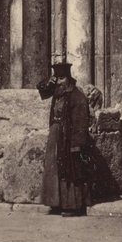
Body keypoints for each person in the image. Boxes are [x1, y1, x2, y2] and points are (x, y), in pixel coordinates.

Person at [37, 60, 92, 216]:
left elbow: (81, 123)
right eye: (57, 78)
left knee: (70, 171)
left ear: (68, 78)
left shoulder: (77, 95)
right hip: (56, 136)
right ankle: (56, 202)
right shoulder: (58, 92)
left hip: (69, 139)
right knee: (54, 169)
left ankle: (71, 206)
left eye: (62, 78)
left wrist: (76, 145)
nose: (59, 81)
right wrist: (50, 80)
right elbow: (42, 90)